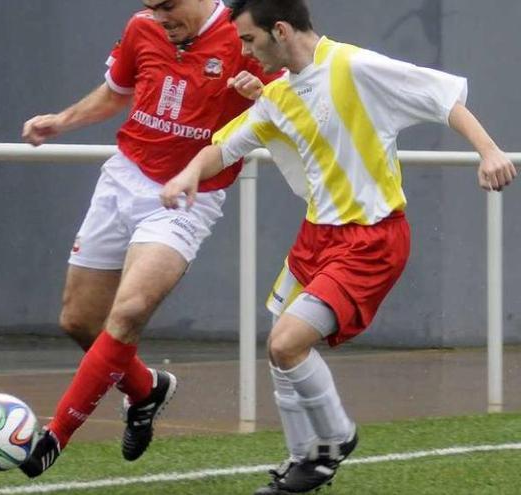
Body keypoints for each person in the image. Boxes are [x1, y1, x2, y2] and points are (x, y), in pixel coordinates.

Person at [160, 0, 516, 493]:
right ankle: (305, 461)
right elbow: (222, 147)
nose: (243, 50)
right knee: (281, 349)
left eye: (247, 39)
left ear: (280, 30)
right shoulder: (278, 95)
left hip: (370, 238)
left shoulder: (353, 66)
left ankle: (334, 439)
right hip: (317, 237)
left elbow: (443, 99)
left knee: (287, 343)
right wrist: (187, 174)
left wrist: (490, 150)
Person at [19, 0, 278, 478]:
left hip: (189, 194)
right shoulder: (143, 28)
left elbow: (289, 107)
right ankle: (146, 390)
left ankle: (55, 435)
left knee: (131, 310)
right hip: (123, 178)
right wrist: (62, 120)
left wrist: (261, 93)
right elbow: (117, 91)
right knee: (79, 321)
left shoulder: (245, 33)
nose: (161, 19)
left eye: (169, 7)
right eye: (152, 8)